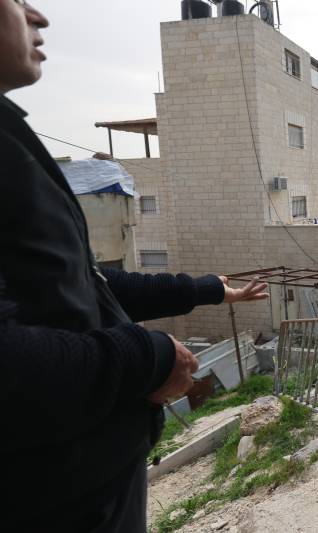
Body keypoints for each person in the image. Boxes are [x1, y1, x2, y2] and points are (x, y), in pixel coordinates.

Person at [0, 1, 268, 530]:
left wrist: (208, 289)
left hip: (84, 479)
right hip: (47, 497)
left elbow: (87, 283)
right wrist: (148, 356)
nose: (39, 17)